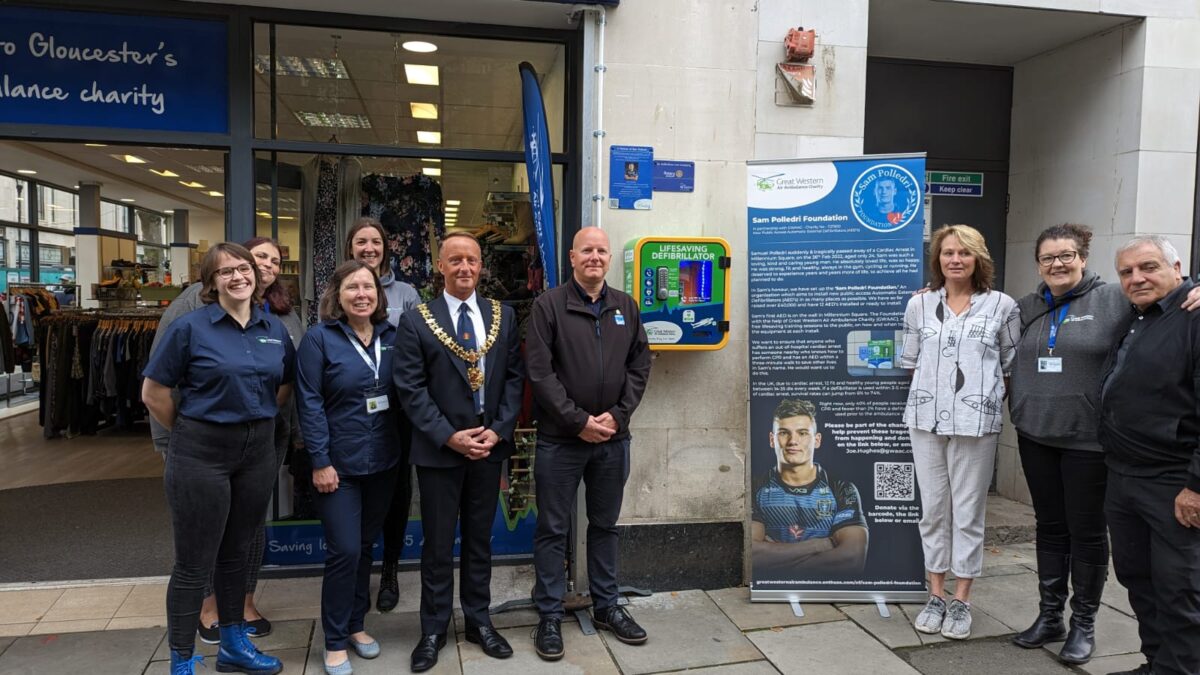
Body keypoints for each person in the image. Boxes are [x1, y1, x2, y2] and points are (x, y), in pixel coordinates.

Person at [142, 243, 295, 675]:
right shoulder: (190, 328)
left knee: (237, 554)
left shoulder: (274, 328)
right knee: (194, 563)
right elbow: (152, 394)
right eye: (225, 271)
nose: (238, 276)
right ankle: (182, 660)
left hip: (256, 454)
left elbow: (283, 386)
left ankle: (233, 645)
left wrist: (254, 422)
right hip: (201, 454)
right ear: (211, 283)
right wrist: (195, 432)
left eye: (243, 268)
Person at [392, 232, 525, 672]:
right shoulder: (416, 319)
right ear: (441, 267)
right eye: (456, 260)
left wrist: (498, 430)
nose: (465, 267)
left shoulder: (503, 315)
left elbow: (513, 380)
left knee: (479, 540)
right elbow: (409, 388)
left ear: (481, 265)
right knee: (436, 545)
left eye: (471, 260)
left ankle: (478, 620)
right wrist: (448, 436)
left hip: (488, 448)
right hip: (439, 452)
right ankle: (432, 628)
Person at [526, 226, 652, 661]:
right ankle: (547, 614)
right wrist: (578, 421)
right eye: (587, 251)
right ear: (572, 257)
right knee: (552, 529)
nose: (594, 257)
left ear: (608, 257)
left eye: (601, 250)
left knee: (605, 526)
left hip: (613, 440)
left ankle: (606, 606)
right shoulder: (548, 306)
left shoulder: (625, 307)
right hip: (561, 442)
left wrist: (617, 417)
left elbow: (639, 367)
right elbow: (540, 374)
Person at [1006, 224, 1122, 664]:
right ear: (1038, 263)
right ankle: (1049, 615)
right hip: (1036, 435)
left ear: (1083, 257)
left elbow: (1164, 298)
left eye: (1066, 255)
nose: (1057, 264)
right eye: (1048, 257)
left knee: (1088, 532)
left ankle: (1084, 623)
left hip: (1088, 442)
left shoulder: (1113, 299)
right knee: (1050, 526)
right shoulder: (1026, 306)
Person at [900, 224, 1019, 641]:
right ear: (937, 259)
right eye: (948, 252)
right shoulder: (919, 306)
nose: (955, 259)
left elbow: (1010, 365)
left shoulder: (1002, 305)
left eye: (964, 253)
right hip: (925, 420)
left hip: (976, 424)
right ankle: (935, 594)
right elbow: (911, 361)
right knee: (933, 510)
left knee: (968, 513)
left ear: (978, 259)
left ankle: (962, 599)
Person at [1098, 235, 1200, 675]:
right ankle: (1157, 662)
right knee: (1137, 578)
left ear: (1177, 269)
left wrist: (1196, 486)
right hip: (1124, 477)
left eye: (1149, 267)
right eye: (1127, 272)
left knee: (1180, 588)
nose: (1137, 278)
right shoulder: (1136, 317)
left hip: (1174, 482)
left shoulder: (1193, 316)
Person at [296, 260, 402, 675]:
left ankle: (357, 625)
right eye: (352, 287)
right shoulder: (319, 340)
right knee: (343, 550)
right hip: (336, 465)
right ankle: (335, 639)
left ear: (379, 295)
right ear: (336, 296)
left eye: (369, 287)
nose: (362, 294)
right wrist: (320, 461)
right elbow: (309, 403)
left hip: (384, 462)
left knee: (364, 548)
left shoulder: (393, 336)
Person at [341, 217, 421, 613]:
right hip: (350, 414)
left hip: (398, 412)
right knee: (354, 494)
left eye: (375, 241)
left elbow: (424, 345)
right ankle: (355, 573)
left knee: (395, 494)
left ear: (386, 247)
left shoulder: (406, 293)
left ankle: (390, 571)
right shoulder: (336, 288)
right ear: (350, 248)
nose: (369, 248)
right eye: (361, 242)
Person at [750, 399, 868, 577]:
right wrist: (819, 545)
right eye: (783, 433)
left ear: (817, 440)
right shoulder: (755, 487)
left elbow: (853, 559)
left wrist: (776, 557)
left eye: (803, 433)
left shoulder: (841, 489)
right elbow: (752, 555)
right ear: (772, 440)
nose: (793, 441)